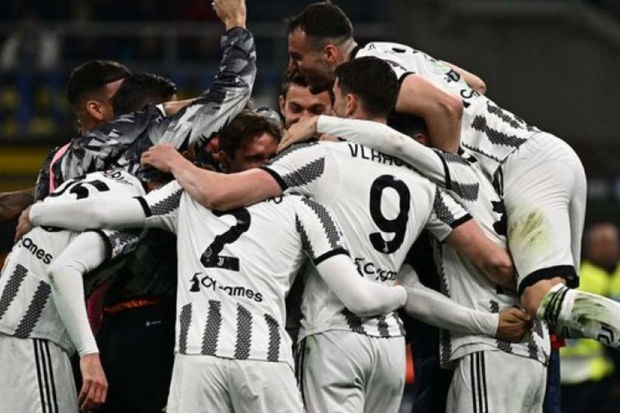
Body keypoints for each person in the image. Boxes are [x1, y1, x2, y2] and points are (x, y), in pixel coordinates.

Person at [137, 57, 529, 412]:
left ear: (350, 103)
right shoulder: (426, 182)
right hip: (390, 345)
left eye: (334, 100)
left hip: (332, 334)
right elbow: (493, 261)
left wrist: (175, 162)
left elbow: (221, 194)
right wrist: (541, 286)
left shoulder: (316, 160)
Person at [284, 1, 620, 350]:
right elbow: (476, 85)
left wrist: (453, 179)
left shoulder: (374, 66)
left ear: (329, 54)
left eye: (297, 57)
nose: (293, 67)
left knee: (541, 298)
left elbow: (447, 106)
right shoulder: (398, 52)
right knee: (558, 313)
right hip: (542, 155)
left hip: (524, 166)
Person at [27, 157, 410, 413]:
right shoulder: (304, 208)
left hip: (198, 357)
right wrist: (401, 291)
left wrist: (39, 210)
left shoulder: (187, 196)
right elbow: (359, 297)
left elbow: (101, 212)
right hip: (265, 360)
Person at [0, 168, 146, 413]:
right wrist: (89, 355)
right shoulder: (133, 211)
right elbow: (63, 270)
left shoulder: (95, 177)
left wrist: (35, 212)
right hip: (32, 332)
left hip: (14, 321)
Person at [560, 223, 620, 413]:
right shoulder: (576, 280)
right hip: (577, 374)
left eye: (613, 243)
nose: (609, 248)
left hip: (608, 373)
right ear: (589, 247)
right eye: (602, 243)